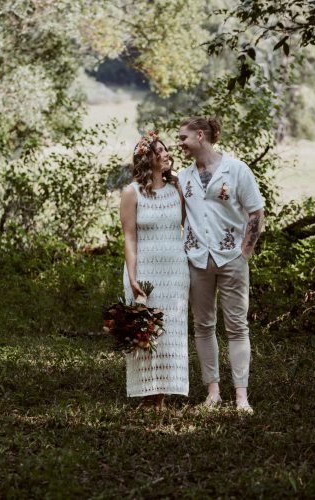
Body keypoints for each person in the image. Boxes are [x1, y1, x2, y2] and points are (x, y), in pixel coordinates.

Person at [177, 117, 264, 412]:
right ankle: (213, 392)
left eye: (183, 137)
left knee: (237, 327)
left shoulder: (236, 169)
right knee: (203, 326)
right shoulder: (184, 177)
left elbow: (256, 212)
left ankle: (242, 397)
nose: (180, 144)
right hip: (197, 259)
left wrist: (244, 253)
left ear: (200, 136)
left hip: (232, 259)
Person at [120, 131, 190, 408]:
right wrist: (133, 276)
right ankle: (147, 395)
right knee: (144, 329)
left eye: (165, 149)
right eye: (159, 151)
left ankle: (161, 395)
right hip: (144, 270)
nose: (166, 154)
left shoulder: (177, 190)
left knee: (170, 331)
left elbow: (186, 226)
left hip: (174, 271)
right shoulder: (131, 192)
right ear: (147, 159)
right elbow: (129, 237)